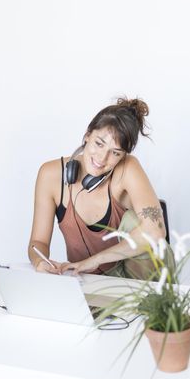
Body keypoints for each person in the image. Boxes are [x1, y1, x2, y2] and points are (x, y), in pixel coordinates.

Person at [28, 97, 166, 278]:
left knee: (135, 221)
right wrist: (40, 262)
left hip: (136, 285)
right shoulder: (51, 175)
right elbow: (38, 241)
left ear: (123, 156)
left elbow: (155, 230)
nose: (101, 158)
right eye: (99, 143)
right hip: (86, 282)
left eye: (115, 153)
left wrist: (94, 261)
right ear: (87, 136)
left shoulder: (128, 168)